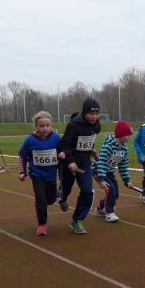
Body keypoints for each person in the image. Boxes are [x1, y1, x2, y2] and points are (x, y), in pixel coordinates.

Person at [57, 99, 101, 233]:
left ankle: (77, 220)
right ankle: (62, 198)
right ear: (84, 112)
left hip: (85, 163)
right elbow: (64, 145)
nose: (94, 117)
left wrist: (91, 150)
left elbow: (88, 140)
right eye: (91, 114)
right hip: (68, 164)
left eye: (96, 114)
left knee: (87, 192)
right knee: (65, 191)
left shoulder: (96, 126)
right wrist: (70, 161)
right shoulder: (73, 126)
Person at [18, 111, 63, 236]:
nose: (45, 128)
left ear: (51, 125)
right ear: (36, 126)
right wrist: (22, 171)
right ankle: (42, 224)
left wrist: (62, 153)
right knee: (41, 200)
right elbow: (22, 156)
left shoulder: (56, 138)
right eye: (41, 126)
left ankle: (49, 199)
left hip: (51, 174)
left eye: (47, 125)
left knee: (51, 200)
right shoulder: (30, 140)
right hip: (37, 174)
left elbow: (64, 150)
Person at [95, 121, 136, 223]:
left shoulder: (124, 148)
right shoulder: (108, 147)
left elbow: (123, 165)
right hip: (98, 170)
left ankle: (100, 207)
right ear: (120, 134)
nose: (129, 137)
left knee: (115, 194)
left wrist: (127, 180)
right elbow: (101, 163)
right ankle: (109, 213)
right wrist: (102, 179)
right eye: (127, 135)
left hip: (109, 171)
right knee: (110, 189)